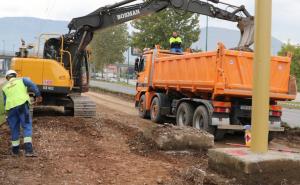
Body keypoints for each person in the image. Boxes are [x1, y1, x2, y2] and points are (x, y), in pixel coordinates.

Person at [2, 70, 42, 157]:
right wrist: (38, 95)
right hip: (22, 106)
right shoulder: (22, 80)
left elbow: (5, 101)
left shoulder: (4, 86)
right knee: (27, 126)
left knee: (14, 128)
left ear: (7, 78)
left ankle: (15, 151)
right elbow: (32, 85)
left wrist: (6, 114)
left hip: (11, 109)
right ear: (15, 75)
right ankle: (28, 151)